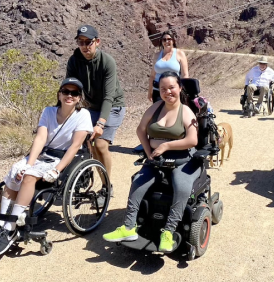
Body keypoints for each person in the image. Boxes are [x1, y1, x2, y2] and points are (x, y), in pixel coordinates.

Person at [0, 78, 93, 257]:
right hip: (43, 155)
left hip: (61, 159)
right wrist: (28, 163)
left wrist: (57, 170)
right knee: (16, 171)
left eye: (74, 93)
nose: (69, 95)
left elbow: (75, 146)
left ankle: (11, 227)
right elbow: (40, 139)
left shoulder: (83, 115)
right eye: (66, 91)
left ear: (79, 98)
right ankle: (1, 226)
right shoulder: (48, 111)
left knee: (30, 176)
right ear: (59, 94)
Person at [103, 71, 199, 252]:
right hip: (156, 159)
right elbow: (140, 130)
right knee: (138, 183)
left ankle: (168, 233)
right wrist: (149, 152)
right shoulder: (155, 108)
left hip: (181, 160)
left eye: (171, 87)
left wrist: (166, 146)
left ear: (179, 87)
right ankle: (129, 228)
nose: (167, 92)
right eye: (163, 89)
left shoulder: (186, 112)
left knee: (182, 187)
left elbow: (192, 140)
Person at [66, 24, 126, 192]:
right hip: (92, 106)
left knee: (100, 144)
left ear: (97, 42)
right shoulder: (74, 61)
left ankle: (107, 187)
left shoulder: (107, 62)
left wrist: (100, 124)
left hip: (113, 105)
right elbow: (70, 88)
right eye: (81, 42)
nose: (85, 46)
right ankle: (92, 177)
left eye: (88, 42)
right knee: (87, 144)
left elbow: (109, 96)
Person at [148, 31, 189, 103]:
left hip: (173, 91)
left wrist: (183, 90)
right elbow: (152, 76)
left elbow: (185, 74)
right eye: (164, 40)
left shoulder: (179, 54)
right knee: (159, 113)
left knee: (174, 113)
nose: (166, 41)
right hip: (158, 91)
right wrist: (149, 92)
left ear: (173, 40)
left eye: (169, 39)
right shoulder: (157, 55)